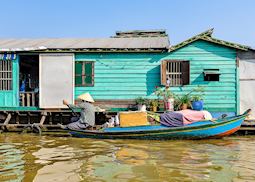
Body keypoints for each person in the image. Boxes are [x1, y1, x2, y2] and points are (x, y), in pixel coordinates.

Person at [148, 109, 213, 127]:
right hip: (181, 114)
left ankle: (157, 118)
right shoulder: (201, 113)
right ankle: (157, 118)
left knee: (169, 115)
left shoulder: (202, 114)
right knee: (169, 115)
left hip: (181, 115)